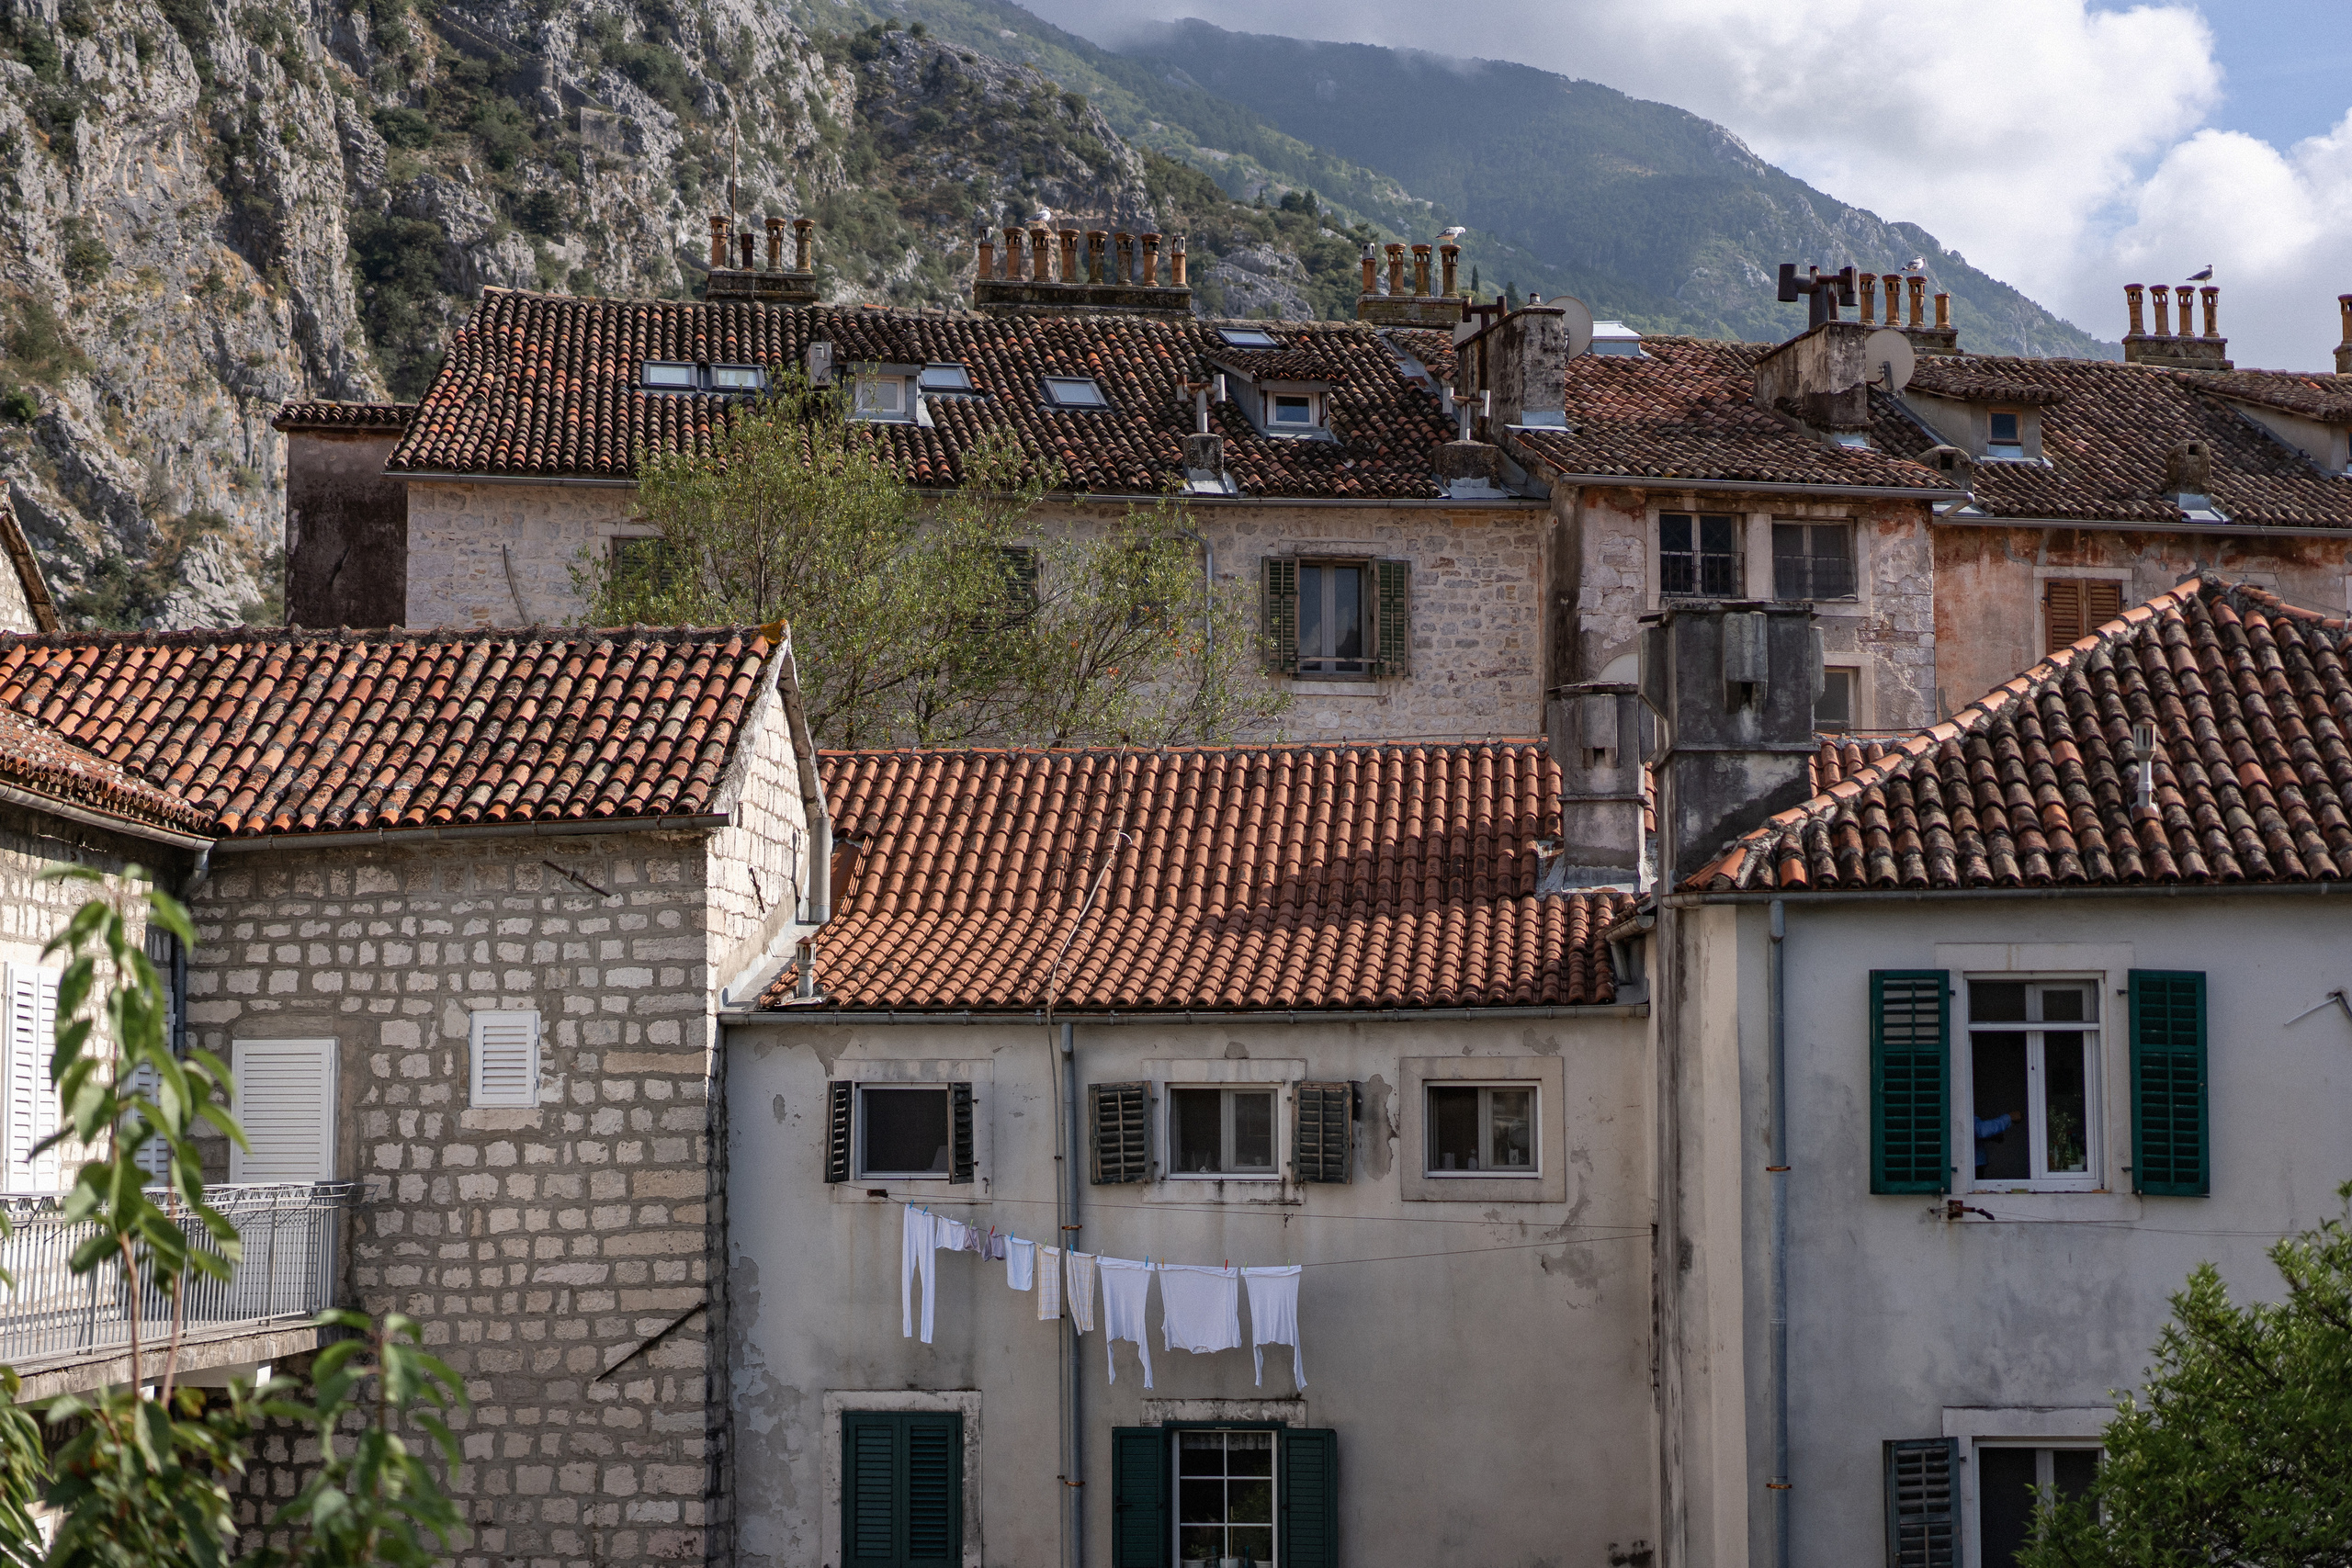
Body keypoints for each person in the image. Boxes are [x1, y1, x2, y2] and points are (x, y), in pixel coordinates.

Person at [1975, 1109, 2024, 1179]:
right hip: (1974, 1168)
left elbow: (1976, 1133)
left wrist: (1991, 1136)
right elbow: (1982, 1130)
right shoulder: (1963, 1115)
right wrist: (2010, 1117)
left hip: (1976, 1166)